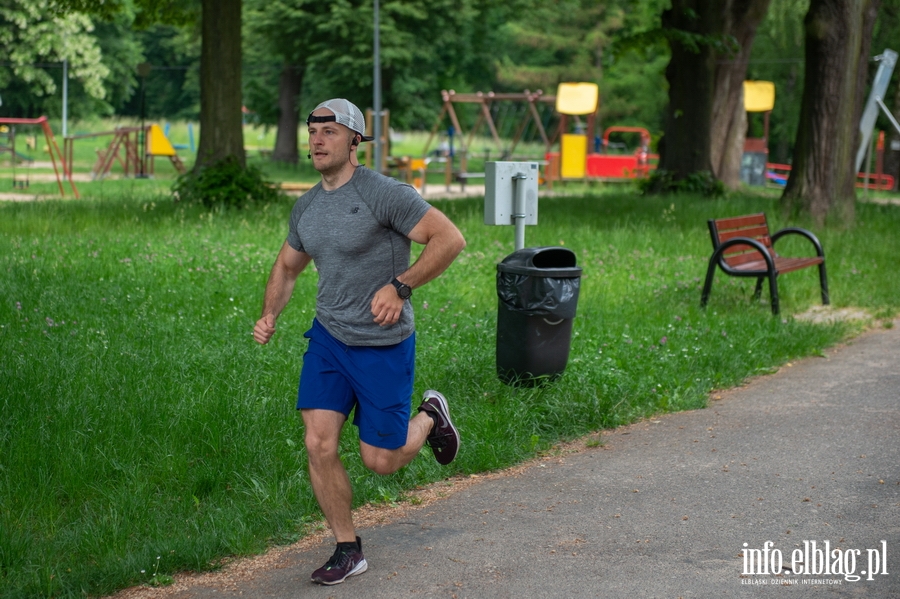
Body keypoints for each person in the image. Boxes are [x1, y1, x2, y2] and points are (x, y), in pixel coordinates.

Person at [253, 98, 466, 586]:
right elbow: (287, 267)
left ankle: (431, 415)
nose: (317, 139)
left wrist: (400, 286)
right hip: (329, 338)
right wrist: (270, 314)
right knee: (318, 442)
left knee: (381, 461)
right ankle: (347, 548)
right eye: (312, 130)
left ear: (355, 140)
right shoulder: (307, 207)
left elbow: (449, 239)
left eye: (329, 131)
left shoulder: (384, 194)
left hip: (383, 343)